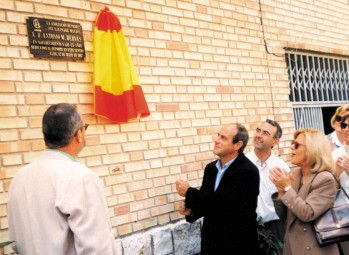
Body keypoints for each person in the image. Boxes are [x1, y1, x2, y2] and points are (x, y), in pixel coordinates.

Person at [8, 103, 117, 255]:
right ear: (79, 134)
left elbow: (15, 240)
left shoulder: (20, 177)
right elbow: (97, 248)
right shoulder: (81, 178)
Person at [176, 123, 260, 254]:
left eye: (223, 138)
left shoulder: (248, 171)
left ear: (237, 145)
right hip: (212, 245)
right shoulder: (211, 169)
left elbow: (226, 205)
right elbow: (207, 203)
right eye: (218, 135)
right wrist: (191, 210)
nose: (216, 140)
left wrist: (189, 192)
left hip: (237, 246)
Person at [270, 128, 339, 255]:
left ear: (312, 149)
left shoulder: (325, 179)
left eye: (296, 145)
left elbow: (307, 213)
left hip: (315, 250)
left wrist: (287, 189)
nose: (291, 147)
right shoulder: (296, 174)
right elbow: (286, 217)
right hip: (292, 248)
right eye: (292, 143)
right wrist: (281, 193)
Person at [245, 119, 290, 250]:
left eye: (265, 133)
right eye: (258, 130)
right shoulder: (242, 164)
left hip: (276, 228)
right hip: (247, 228)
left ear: (275, 141)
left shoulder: (281, 167)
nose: (259, 135)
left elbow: (287, 199)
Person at [332, 114, 349, 255]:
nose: (347, 129)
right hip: (342, 216)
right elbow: (329, 190)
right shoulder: (334, 154)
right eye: (344, 125)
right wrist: (336, 174)